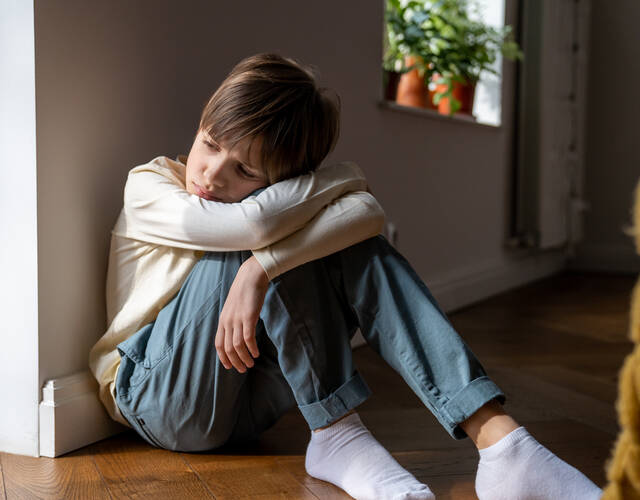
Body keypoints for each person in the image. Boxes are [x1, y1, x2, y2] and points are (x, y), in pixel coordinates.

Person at [88, 53, 602, 500]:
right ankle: (338, 434)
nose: (211, 173)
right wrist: (338, 187)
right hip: (158, 397)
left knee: (334, 244)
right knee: (272, 241)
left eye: (245, 171)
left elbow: (367, 216)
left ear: (285, 181)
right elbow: (256, 225)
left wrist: (261, 270)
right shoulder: (150, 186)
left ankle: (501, 443)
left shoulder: (269, 207)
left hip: (246, 404)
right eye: (210, 143)